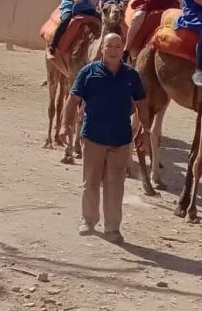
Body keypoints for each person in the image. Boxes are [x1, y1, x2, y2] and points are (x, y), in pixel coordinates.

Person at [62, 33, 151, 244]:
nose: (113, 50)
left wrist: (146, 130)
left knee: (115, 185)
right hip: (93, 137)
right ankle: (89, 221)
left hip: (121, 140)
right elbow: (73, 99)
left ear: (122, 49)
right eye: (109, 45)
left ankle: (112, 228)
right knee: (90, 183)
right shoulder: (88, 72)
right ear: (102, 48)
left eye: (117, 46)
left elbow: (141, 104)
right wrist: (65, 125)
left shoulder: (131, 75)